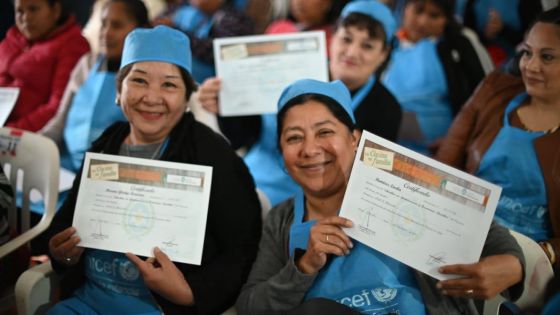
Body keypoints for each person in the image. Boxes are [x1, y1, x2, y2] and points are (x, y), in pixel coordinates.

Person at [235, 78, 524, 314]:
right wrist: (303, 266)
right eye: (294, 138)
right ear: (282, 155)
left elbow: (491, 237)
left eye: (325, 132)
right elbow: (250, 306)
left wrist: (513, 265)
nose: (310, 150)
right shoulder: (282, 218)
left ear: (354, 138)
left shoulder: (404, 186)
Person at [42, 25, 262, 314]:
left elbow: (242, 249)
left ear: (186, 99)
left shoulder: (213, 154)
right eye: (139, 81)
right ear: (119, 91)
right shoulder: (106, 145)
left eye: (169, 85)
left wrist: (190, 293)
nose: (151, 97)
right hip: (87, 302)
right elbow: (67, 223)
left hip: (160, 308)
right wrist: (63, 254)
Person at [199, 0, 402, 206]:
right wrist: (226, 107)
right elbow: (244, 136)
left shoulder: (386, 109)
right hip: (255, 176)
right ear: (332, 38)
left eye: (367, 46)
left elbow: (370, 181)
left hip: (319, 202)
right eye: (346, 39)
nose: (351, 52)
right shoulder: (293, 69)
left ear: (383, 54)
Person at [436, 6, 560, 269]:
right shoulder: (494, 91)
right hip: (461, 236)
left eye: (547, 57)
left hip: (533, 264)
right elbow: (441, 169)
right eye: (527, 53)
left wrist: (528, 262)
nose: (531, 66)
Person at [41, 0, 150, 174]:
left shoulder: (148, 76)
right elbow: (59, 123)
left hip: (116, 174)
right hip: (68, 168)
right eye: (104, 24)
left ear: (141, 31)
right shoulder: (87, 64)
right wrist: (31, 145)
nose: (106, 33)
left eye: (116, 25)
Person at [382, 0, 493, 155]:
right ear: (404, 8)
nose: (423, 22)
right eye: (418, 11)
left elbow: (484, 97)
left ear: (447, 19)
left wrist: (457, 142)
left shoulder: (460, 45)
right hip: (385, 147)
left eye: (434, 16)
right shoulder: (385, 43)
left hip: (444, 153)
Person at [0, 0, 90, 132]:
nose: (26, 18)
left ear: (55, 11)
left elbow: (58, 108)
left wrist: (10, 131)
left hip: (30, 138)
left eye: (33, 9)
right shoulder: (10, 39)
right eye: (20, 11)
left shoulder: (72, 45)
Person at [153, 0, 254, 83]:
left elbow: (217, 53)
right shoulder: (179, 8)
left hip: (209, 87)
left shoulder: (235, 19)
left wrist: (176, 33)